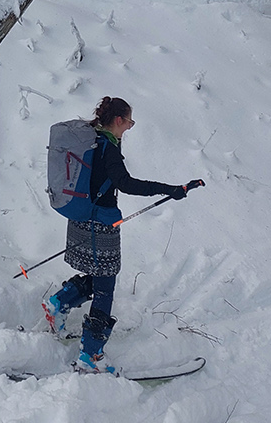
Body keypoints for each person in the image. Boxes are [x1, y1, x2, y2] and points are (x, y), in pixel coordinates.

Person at [42, 97, 201, 374]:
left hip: (81, 216)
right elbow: (126, 183)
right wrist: (170, 189)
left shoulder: (91, 140)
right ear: (118, 120)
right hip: (101, 223)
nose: (129, 127)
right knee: (105, 286)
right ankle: (90, 356)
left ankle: (59, 304)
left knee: (98, 275)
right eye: (129, 122)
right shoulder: (109, 147)